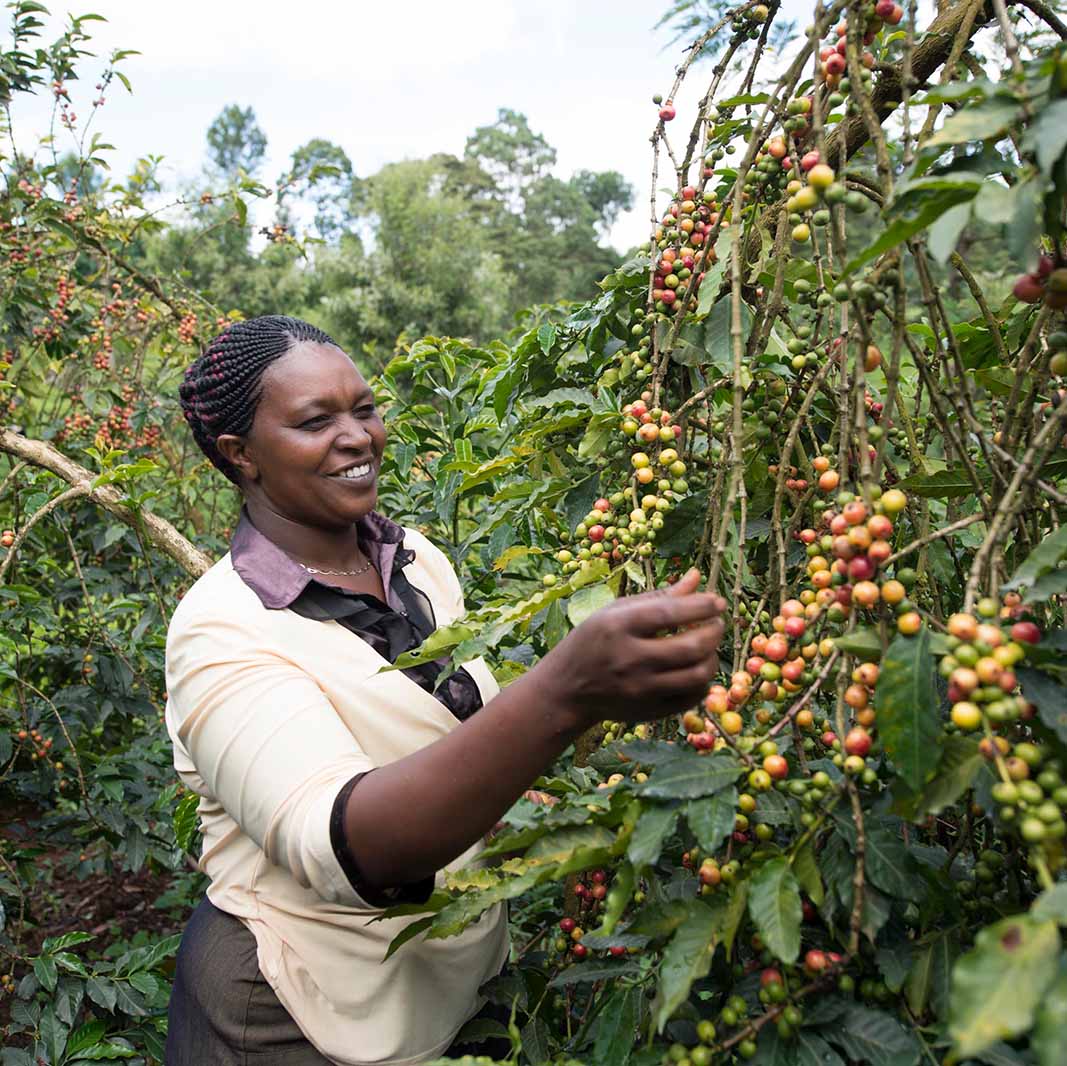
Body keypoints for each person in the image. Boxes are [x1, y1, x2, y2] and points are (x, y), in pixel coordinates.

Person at [164, 315, 727, 1065]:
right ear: (241, 455)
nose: (358, 436)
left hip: (454, 986)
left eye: (363, 408)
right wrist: (564, 691)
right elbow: (345, 848)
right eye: (314, 421)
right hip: (293, 1011)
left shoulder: (416, 558)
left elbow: (450, 737)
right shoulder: (221, 629)